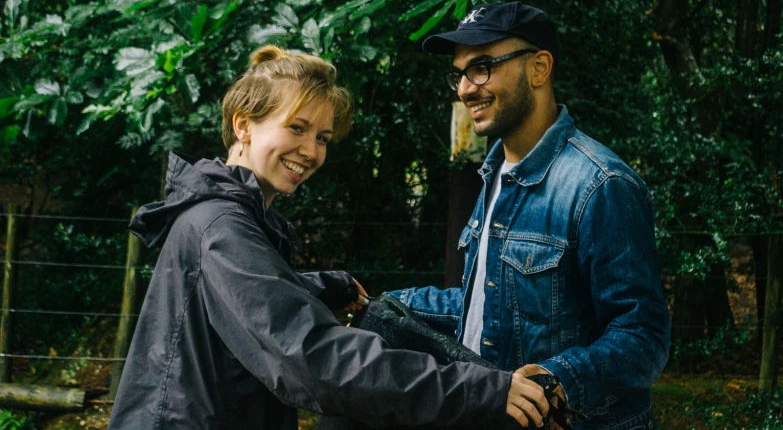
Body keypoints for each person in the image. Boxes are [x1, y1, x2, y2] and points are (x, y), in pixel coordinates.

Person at [108, 45, 551, 430]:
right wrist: (481, 390)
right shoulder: (221, 228)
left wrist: (328, 287)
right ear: (244, 126)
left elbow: (249, 300)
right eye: (296, 128)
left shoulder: (231, 218)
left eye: (322, 137)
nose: (312, 151)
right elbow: (317, 362)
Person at [387, 2, 671, 429]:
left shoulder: (600, 184)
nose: (464, 89)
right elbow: (487, 304)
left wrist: (556, 380)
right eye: (459, 73)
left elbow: (643, 337)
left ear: (539, 68)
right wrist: (384, 303)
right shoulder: (495, 175)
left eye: (481, 67)